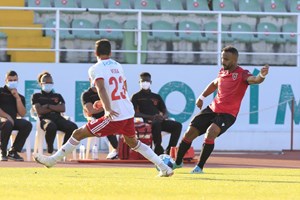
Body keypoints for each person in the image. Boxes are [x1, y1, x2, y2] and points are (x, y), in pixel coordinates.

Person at [33, 39, 173, 177]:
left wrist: (106, 108)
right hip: (127, 111)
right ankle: (164, 167)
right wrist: (105, 102)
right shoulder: (118, 65)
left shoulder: (95, 68)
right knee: (133, 142)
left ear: (95, 52)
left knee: (78, 133)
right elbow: (123, 88)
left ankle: (52, 161)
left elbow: (100, 87)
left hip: (115, 115)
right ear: (111, 52)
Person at [173, 46, 269, 173]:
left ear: (235, 60)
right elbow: (214, 84)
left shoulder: (242, 74)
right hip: (212, 109)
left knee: (211, 132)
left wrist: (261, 75)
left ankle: (199, 167)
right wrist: (201, 97)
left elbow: (255, 80)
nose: (223, 61)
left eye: (226, 59)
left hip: (227, 115)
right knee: (189, 133)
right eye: (222, 58)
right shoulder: (222, 71)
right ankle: (177, 162)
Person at [131, 72, 182, 155]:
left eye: (147, 81)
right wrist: (151, 117)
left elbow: (165, 111)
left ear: (150, 82)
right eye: (143, 81)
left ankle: (169, 150)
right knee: (156, 123)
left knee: (178, 125)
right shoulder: (136, 97)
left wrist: (163, 117)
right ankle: (158, 149)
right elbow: (133, 113)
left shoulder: (156, 96)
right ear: (139, 82)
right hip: (145, 122)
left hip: (159, 121)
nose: (145, 83)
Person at [31, 71, 78, 154]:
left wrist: (48, 106)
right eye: (46, 82)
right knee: (51, 126)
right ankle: (50, 149)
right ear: (41, 84)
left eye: (50, 82)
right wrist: (55, 108)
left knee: (73, 127)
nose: (48, 84)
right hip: (45, 119)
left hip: (58, 118)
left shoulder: (57, 95)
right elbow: (39, 111)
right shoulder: (36, 96)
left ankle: (63, 149)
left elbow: (63, 109)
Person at [0, 70, 32, 161]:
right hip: (2, 120)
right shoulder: (1, 91)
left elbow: (22, 114)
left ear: (18, 80)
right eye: (10, 80)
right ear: (6, 80)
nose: (12, 82)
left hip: (12, 121)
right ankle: (3, 152)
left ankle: (13, 152)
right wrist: (7, 116)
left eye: (15, 80)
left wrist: (17, 98)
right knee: (8, 123)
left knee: (27, 125)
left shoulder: (20, 97)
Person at [81, 81, 118, 159]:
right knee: (108, 125)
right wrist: (106, 107)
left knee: (124, 123)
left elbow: (114, 105)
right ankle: (118, 149)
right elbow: (91, 111)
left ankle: (124, 151)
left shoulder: (105, 92)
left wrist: (106, 107)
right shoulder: (86, 95)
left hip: (109, 117)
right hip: (96, 120)